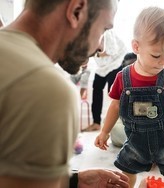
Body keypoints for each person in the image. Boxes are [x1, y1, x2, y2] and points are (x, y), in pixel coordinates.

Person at [0, 0, 130, 187]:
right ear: (77, 11)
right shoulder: (46, 89)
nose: (101, 47)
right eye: (103, 29)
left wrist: (72, 180)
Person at [95, 7, 164, 188]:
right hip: (135, 141)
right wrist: (104, 131)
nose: (163, 62)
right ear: (136, 47)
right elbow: (115, 106)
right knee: (126, 175)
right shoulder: (122, 78)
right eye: (156, 55)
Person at [84, 29, 128, 131]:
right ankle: (96, 123)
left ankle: (121, 122)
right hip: (102, 67)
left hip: (116, 62)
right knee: (96, 90)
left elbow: (111, 51)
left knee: (113, 93)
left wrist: (92, 54)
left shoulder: (107, 32)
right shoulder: (89, 36)